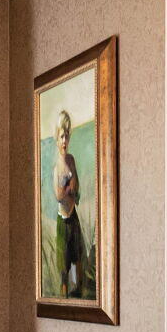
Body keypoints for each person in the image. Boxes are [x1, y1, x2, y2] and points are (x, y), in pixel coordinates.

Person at [51, 110, 93, 298]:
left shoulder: (71, 160)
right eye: (61, 136)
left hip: (73, 217)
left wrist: (70, 187)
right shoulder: (57, 166)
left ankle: (78, 294)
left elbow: (76, 190)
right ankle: (65, 296)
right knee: (63, 266)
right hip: (63, 220)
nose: (64, 141)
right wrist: (69, 187)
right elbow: (59, 195)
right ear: (56, 138)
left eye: (67, 136)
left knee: (78, 259)